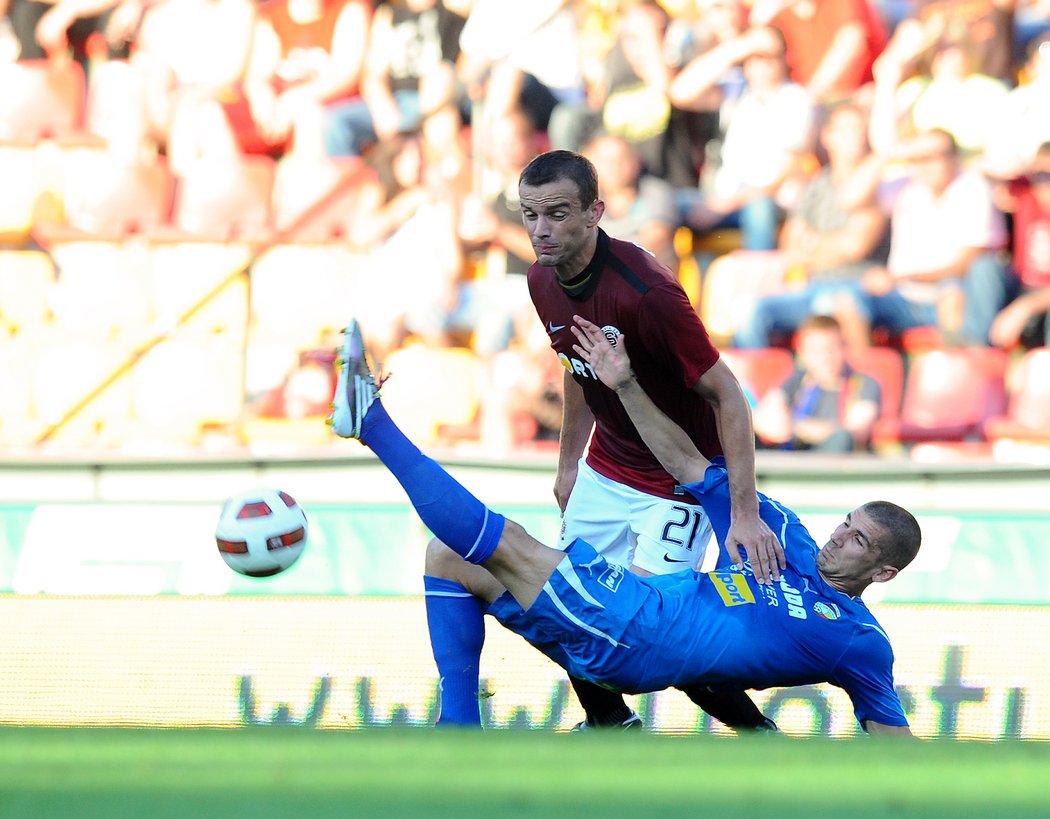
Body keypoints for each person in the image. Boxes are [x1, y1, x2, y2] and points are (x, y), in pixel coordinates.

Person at [328, 317, 919, 737]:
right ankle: (461, 725)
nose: (838, 538)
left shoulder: (859, 641)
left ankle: (372, 423)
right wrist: (624, 384)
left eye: (858, 541)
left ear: (884, 571)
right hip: (639, 608)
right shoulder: (776, 532)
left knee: (503, 542)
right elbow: (688, 465)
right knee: (450, 559)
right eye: (846, 523)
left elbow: (894, 747)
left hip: (638, 635)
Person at [425, 149, 783, 732]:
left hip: (679, 484)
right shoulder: (542, 278)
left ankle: (758, 734)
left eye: (558, 214)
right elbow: (576, 364)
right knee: (574, 605)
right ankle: (610, 725)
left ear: (595, 212)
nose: (541, 230)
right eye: (530, 214)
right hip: (605, 470)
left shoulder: (648, 293)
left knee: (652, 635)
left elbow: (730, 397)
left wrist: (743, 511)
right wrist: (570, 462)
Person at [831, 128, 1009, 350]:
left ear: (954, 157)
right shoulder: (906, 186)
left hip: (950, 294)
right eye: (917, 158)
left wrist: (902, 277)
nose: (923, 164)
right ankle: (868, 379)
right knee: (846, 301)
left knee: (951, 294)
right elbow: (849, 200)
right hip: (902, 297)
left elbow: (968, 262)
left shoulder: (973, 187)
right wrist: (887, 154)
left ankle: (955, 377)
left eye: (931, 156)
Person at [734, 101, 889, 349]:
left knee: (834, 304)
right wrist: (830, 246)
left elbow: (856, 247)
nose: (857, 138)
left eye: (862, 130)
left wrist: (813, 242)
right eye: (847, 130)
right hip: (814, 285)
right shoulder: (815, 187)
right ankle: (748, 387)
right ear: (827, 137)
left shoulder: (877, 183)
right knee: (752, 310)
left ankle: (862, 385)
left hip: (859, 286)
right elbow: (790, 247)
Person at [668, 23, 816, 251]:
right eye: (754, 56)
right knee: (663, 205)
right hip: (720, 198)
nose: (761, 63)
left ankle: (760, 283)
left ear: (784, 57)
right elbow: (680, 93)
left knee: (760, 210)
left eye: (769, 55)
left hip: (766, 202)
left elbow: (787, 171)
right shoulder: (736, 90)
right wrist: (737, 48)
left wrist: (724, 206)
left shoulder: (796, 99)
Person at [753, 315, 882, 453]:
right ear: (803, 353)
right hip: (795, 454)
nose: (826, 357)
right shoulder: (797, 380)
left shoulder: (864, 383)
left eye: (831, 349)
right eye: (817, 351)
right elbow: (764, 413)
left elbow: (856, 431)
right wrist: (775, 425)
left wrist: (798, 428)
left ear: (844, 347)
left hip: (836, 462)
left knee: (841, 438)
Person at [972, 141, 1050, 349]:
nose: (1043, 184)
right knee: (984, 268)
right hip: (1020, 287)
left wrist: (1025, 308)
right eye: (1039, 175)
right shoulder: (1025, 193)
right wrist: (1022, 166)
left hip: (1042, 299)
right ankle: (979, 359)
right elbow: (982, 170)